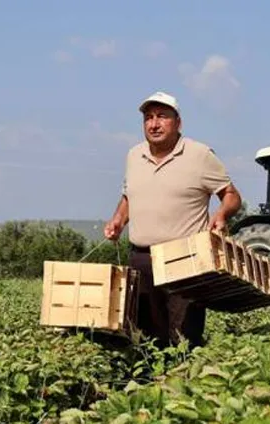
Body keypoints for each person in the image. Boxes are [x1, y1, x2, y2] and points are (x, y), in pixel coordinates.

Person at [103, 91, 242, 348]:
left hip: (185, 259)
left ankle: (182, 383)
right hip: (141, 258)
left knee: (183, 336)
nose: (154, 124)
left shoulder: (199, 155)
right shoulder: (134, 156)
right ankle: (149, 384)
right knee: (143, 334)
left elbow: (232, 195)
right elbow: (129, 197)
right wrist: (118, 221)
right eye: (148, 118)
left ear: (178, 123)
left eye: (162, 117)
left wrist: (222, 213)